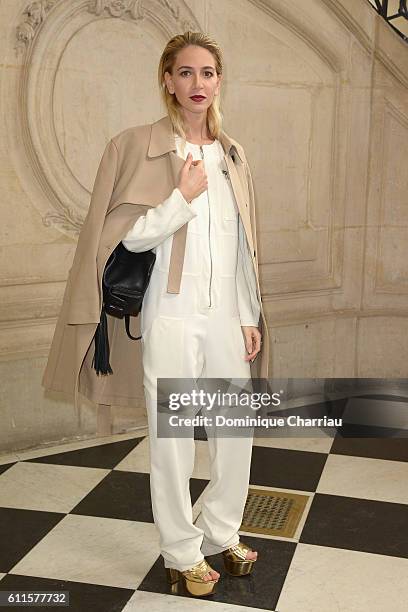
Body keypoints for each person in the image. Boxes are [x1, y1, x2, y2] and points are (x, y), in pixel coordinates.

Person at [119, 32, 264, 597]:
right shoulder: (145, 147)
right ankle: (180, 551)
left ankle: (221, 530)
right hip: (171, 315)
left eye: (207, 73)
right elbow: (127, 237)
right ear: (167, 79)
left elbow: (244, 245)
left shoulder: (233, 154)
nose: (197, 84)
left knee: (235, 431)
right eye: (185, 73)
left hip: (227, 316)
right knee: (173, 438)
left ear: (219, 80)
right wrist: (179, 198)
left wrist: (248, 314)